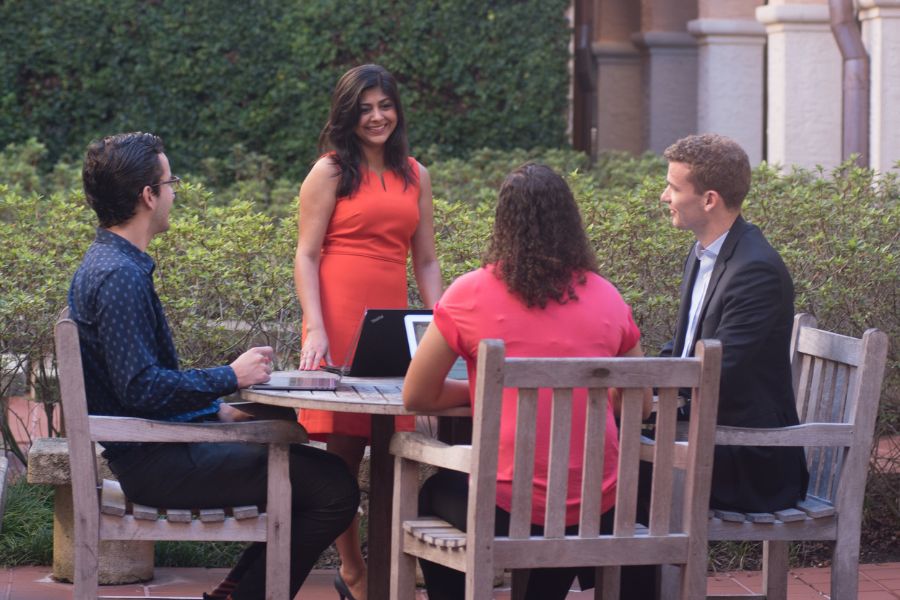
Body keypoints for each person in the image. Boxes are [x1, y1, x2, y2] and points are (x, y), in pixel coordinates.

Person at [68, 132, 359, 600]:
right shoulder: (119, 276)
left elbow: (137, 387)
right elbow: (141, 389)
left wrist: (219, 412)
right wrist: (231, 377)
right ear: (148, 195)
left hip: (156, 451)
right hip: (155, 465)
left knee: (307, 459)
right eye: (171, 182)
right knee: (333, 487)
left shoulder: (110, 263)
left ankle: (232, 591)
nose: (174, 192)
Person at [402, 163, 651, 600]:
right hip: (599, 502)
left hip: (505, 504)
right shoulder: (607, 297)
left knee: (434, 492)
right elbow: (639, 403)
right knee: (558, 513)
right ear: (571, 223)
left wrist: (490, 395)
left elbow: (417, 394)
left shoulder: (468, 294)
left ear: (503, 224)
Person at [294, 64, 443, 600]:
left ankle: (388, 569)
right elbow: (307, 255)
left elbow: (425, 262)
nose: (377, 117)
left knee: (389, 446)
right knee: (340, 452)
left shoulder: (415, 174)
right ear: (348, 115)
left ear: (397, 109)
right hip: (336, 317)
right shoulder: (330, 171)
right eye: (365, 109)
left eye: (384, 105)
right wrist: (315, 328)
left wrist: (447, 328)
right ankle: (354, 569)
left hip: (389, 320)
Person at [659, 132, 808, 512]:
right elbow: (686, 352)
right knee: (604, 470)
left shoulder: (755, 269)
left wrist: (646, 391)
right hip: (705, 437)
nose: (664, 197)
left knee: (614, 482)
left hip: (747, 458)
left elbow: (715, 372)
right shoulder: (705, 254)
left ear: (709, 200)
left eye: (673, 188)